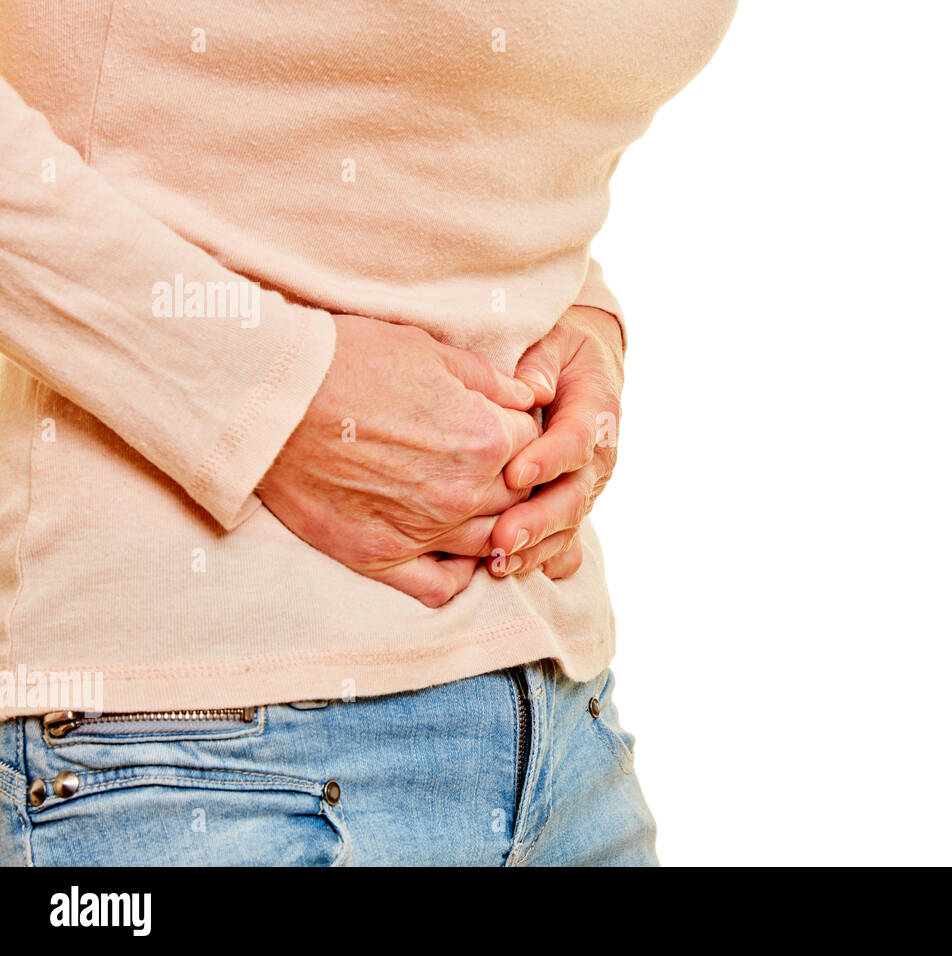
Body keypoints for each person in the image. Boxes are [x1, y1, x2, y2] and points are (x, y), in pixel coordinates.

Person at [0, 0, 736, 865]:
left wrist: (576, 317)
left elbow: (423, 141)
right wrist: (266, 392)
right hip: (188, 743)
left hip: (564, 735)